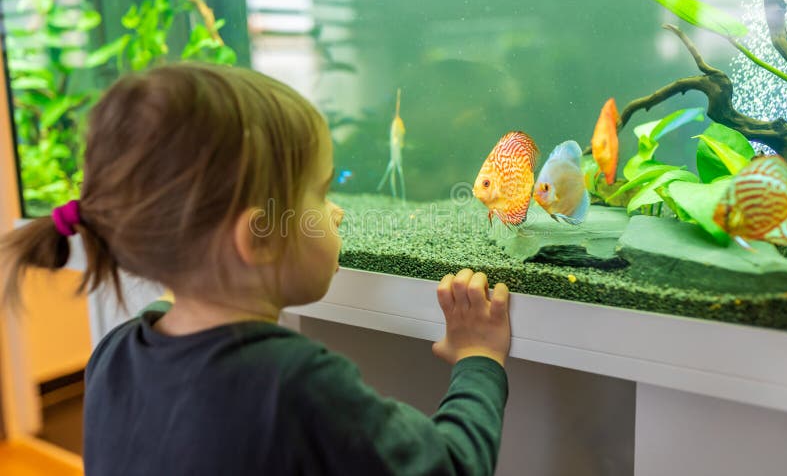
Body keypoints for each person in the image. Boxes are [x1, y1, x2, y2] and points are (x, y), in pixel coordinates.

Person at [0, 63, 511, 475]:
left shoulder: (113, 355)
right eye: (320, 193)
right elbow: (452, 465)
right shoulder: (296, 386)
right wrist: (479, 359)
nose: (338, 212)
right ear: (259, 238)